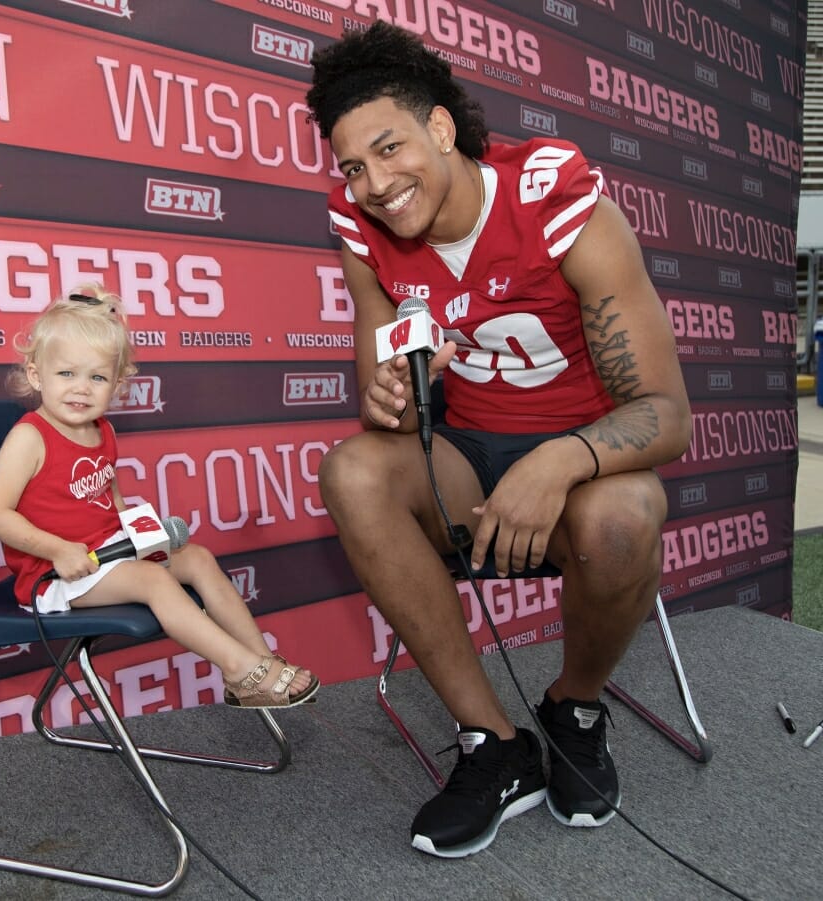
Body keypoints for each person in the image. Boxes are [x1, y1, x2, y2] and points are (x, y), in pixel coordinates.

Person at [306, 22, 691, 857]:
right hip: (469, 454)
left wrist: (559, 459)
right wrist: (393, 398)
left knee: (620, 517)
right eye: (354, 167)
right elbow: (388, 394)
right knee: (355, 471)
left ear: (440, 129)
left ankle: (575, 708)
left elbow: (667, 412)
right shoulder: (360, 224)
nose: (375, 182)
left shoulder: (554, 199)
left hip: (589, 453)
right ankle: (495, 743)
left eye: (389, 149)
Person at [0, 285, 319, 708]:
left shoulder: (102, 431)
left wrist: (141, 536)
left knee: (197, 558)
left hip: (106, 555)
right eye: (66, 374)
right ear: (36, 375)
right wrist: (58, 549)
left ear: (117, 385)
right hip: (55, 576)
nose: (81, 389)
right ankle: (239, 668)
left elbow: (109, 494)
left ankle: (261, 665)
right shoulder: (29, 437)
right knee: (155, 581)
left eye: (97, 377)